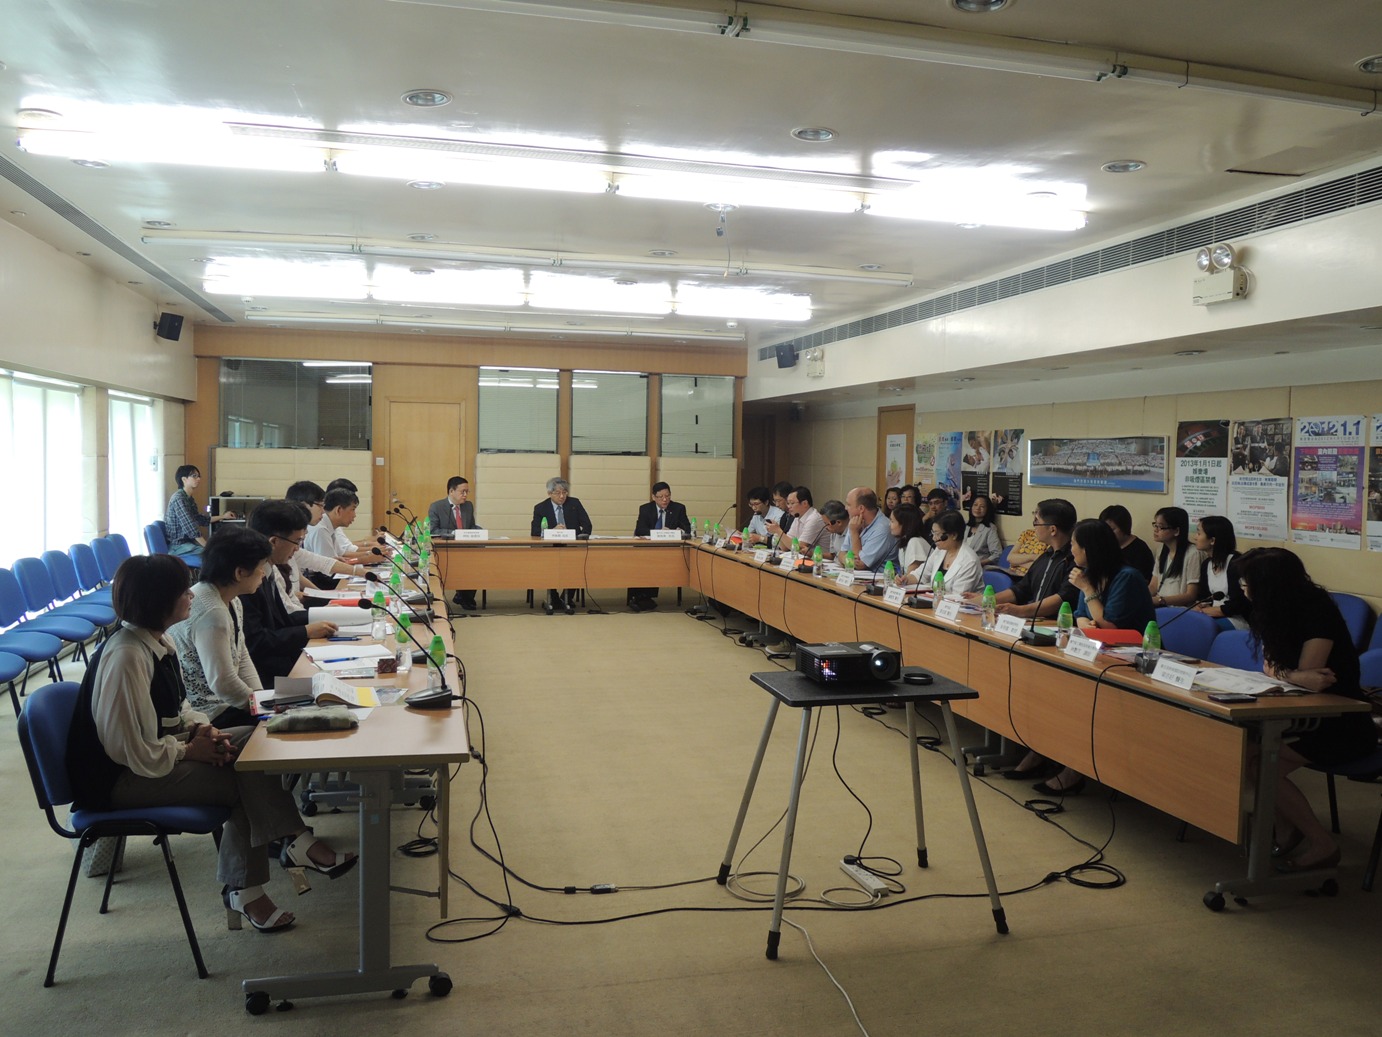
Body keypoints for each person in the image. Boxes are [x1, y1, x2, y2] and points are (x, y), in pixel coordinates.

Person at [66, 553, 355, 934]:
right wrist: (189, 751)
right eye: (182, 591)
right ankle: (259, 878)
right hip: (120, 780)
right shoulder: (126, 657)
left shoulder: (158, 641)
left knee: (256, 742)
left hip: (155, 755)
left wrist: (202, 731)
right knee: (242, 776)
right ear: (158, 600)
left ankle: (286, 852)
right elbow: (128, 749)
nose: (191, 595)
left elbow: (180, 707)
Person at [1238, 548, 1378, 871]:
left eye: (1248, 582)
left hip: (1340, 723)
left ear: (1270, 584)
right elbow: (1277, 669)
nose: (1244, 589)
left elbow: (1310, 674)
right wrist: (1293, 676)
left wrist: (1289, 674)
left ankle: (1321, 844)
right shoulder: (1272, 609)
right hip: (1302, 714)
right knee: (1246, 754)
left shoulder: (1317, 610)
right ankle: (1287, 830)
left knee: (1259, 764)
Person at [167, 528, 272, 729]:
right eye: (261, 567)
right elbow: (222, 683)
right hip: (208, 713)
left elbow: (241, 655)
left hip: (227, 703)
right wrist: (260, 706)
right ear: (239, 573)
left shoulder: (231, 599)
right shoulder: (212, 612)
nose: (263, 573)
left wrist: (261, 698)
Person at [241, 501, 338, 684]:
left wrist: (331, 614)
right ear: (274, 542)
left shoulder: (270, 568)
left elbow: (283, 619)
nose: (298, 548)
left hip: (281, 661)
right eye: (297, 541)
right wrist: (305, 632)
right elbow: (256, 641)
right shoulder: (248, 579)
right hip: (265, 676)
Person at [967, 499, 1079, 621]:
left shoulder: (1074, 560)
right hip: (1037, 621)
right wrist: (983, 600)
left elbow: (1062, 598)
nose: (1034, 526)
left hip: (1057, 625)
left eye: (1037, 521)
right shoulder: (1046, 556)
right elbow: (1021, 589)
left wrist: (1019, 611)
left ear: (1052, 530)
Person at [530, 477, 592, 615]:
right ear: (549, 493)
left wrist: (579, 537)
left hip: (572, 546)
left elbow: (587, 525)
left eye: (564, 492)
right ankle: (553, 597)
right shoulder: (540, 508)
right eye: (558, 493)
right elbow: (535, 532)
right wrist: (552, 531)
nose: (562, 496)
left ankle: (567, 598)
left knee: (577, 564)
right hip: (550, 548)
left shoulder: (574, 503)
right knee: (549, 566)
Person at [628, 482, 690, 611]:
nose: (665, 499)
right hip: (648, 549)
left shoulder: (678, 508)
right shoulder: (645, 509)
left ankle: (645, 597)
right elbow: (640, 530)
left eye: (667, 496)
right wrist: (658, 532)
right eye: (660, 497)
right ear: (653, 497)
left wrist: (677, 531)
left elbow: (687, 529)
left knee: (656, 561)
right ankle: (640, 596)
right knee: (642, 561)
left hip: (670, 551)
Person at [427, 476, 482, 610]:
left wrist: (480, 531)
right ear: (451, 491)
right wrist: (454, 533)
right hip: (447, 548)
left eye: (467, 492)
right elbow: (433, 530)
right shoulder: (437, 507)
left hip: (466, 547)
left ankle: (465, 597)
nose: (465, 495)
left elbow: (471, 526)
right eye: (462, 492)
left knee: (475, 562)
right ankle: (461, 595)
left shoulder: (468, 506)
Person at [1192, 515, 1251, 631]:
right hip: (1212, 615)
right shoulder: (1206, 564)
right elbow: (1203, 596)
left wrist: (1209, 611)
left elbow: (1241, 603)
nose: (1195, 537)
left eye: (1199, 533)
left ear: (1212, 540)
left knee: (1201, 629)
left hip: (1236, 619)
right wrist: (1199, 606)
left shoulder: (1236, 563)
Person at [165, 464, 233, 555]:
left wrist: (223, 516)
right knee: (216, 556)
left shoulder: (188, 498)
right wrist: (208, 547)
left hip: (188, 544)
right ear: (184, 479)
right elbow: (190, 528)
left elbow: (199, 519)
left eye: (199, 476)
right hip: (178, 546)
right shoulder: (179, 498)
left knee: (221, 550)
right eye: (194, 476)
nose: (198, 479)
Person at [913, 510, 983, 594]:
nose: (934, 538)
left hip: (957, 601)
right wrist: (905, 579)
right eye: (933, 533)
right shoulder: (940, 550)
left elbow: (959, 596)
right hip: (936, 600)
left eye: (937, 534)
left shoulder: (969, 561)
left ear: (954, 535)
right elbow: (921, 574)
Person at [1149, 506, 1204, 608]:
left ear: (1176, 531)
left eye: (1160, 527)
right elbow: (1153, 586)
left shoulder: (1193, 553)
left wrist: (1160, 600)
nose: (1155, 530)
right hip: (1160, 606)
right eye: (1155, 525)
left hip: (1179, 609)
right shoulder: (1161, 550)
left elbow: (1191, 595)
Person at [845, 487, 899, 572]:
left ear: (861, 508)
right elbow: (841, 553)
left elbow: (860, 564)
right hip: (857, 576)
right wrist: (848, 561)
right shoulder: (855, 522)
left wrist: (854, 532)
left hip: (880, 578)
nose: (846, 508)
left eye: (848, 505)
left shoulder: (883, 528)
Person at [304, 487, 361, 564]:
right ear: (338, 510)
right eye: (353, 509)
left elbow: (341, 554)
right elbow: (328, 566)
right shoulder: (321, 529)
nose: (354, 515)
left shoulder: (331, 526)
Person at [768, 486, 830, 556]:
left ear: (805, 503)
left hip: (821, 560)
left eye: (792, 503)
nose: (789, 506)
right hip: (804, 558)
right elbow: (785, 548)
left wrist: (778, 530)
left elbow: (798, 547)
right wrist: (777, 531)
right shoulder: (797, 517)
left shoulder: (814, 519)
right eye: (788, 503)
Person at [1099, 504, 1155, 580]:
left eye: (1112, 529)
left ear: (1123, 527)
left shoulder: (1140, 550)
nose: (1107, 533)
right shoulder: (1104, 546)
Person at [888, 503, 929, 583]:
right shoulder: (904, 541)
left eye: (892, 521)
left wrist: (901, 580)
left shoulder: (915, 542)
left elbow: (910, 578)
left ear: (904, 524)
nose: (889, 524)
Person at [964, 493, 1003, 565]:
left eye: (982, 506)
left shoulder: (990, 528)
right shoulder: (964, 525)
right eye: (975, 505)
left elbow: (997, 554)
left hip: (979, 566)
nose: (977, 508)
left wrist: (979, 563)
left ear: (987, 510)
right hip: (962, 564)